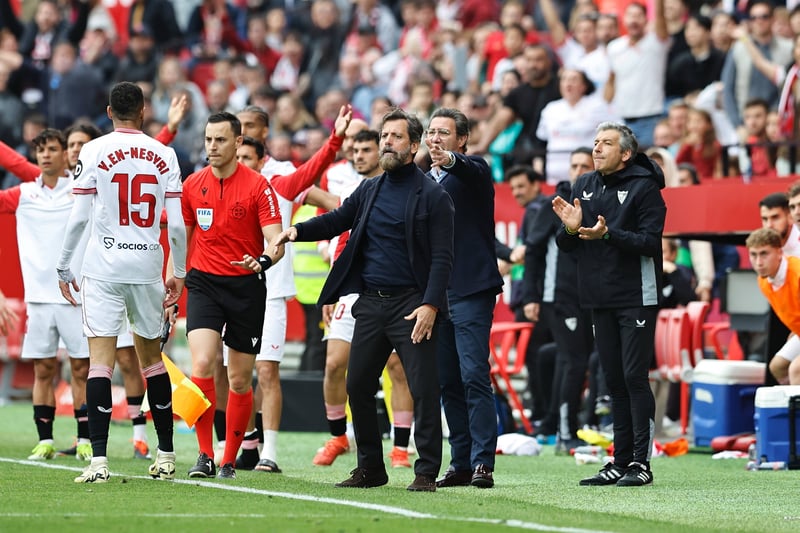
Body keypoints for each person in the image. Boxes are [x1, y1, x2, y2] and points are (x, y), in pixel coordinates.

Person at [271, 108, 454, 492]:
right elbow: (337, 219)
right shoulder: (370, 189)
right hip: (370, 302)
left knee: (423, 388)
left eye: (396, 137)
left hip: (412, 305)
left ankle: (426, 472)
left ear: (414, 146)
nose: (387, 142)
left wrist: (431, 305)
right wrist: (296, 231)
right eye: (385, 136)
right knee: (357, 385)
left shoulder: (434, 196)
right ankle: (370, 468)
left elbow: (443, 258)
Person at [56, 81, 187, 484]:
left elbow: (79, 217)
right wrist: (179, 272)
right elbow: (177, 226)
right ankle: (166, 456)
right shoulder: (165, 154)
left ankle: (98, 462)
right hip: (147, 267)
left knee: (100, 363)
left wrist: (63, 266)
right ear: (144, 111)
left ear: (109, 112)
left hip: (104, 267)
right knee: (151, 362)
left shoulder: (93, 150)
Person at [553, 122, 666, 487]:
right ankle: (619, 461)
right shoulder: (583, 185)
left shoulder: (645, 187)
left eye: (606, 143)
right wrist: (571, 228)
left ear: (626, 153)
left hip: (636, 295)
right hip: (597, 296)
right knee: (613, 380)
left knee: (633, 377)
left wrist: (608, 234)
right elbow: (566, 245)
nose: (597, 148)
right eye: (596, 142)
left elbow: (650, 242)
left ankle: (641, 463)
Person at [182, 111, 285, 480]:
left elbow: (276, 240)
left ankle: (229, 459)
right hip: (204, 283)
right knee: (202, 364)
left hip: (245, 286)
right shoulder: (192, 184)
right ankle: (204, 454)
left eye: (221, 140)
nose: (212, 146)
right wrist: (174, 281)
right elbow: (184, 239)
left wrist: (262, 261)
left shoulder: (259, 186)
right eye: (209, 139)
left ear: (238, 141)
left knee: (240, 380)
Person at [311, 129, 417, 470]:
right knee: (333, 365)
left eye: (366, 149)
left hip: (394, 291)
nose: (359, 155)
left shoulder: (405, 189)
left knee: (396, 367)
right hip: (354, 291)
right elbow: (343, 241)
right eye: (355, 150)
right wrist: (333, 288)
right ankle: (338, 436)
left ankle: (400, 447)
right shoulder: (353, 192)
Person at [0, 129, 90, 461]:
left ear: (66, 154)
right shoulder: (23, 193)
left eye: (53, 149)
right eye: (41, 151)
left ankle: (85, 439)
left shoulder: (81, 191)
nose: (46, 155)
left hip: (75, 297)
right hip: (38, 298)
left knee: (80, 369)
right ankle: (45, 440)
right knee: (43, 369)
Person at [425, 108, 502, 490]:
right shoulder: (422, 181)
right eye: (431, 132)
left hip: (471, 288)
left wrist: (451, 160)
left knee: (473, 374)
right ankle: (460, 462)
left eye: (444, 132)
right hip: (436, 295)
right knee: (448, 381)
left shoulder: (475, 171)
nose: (435, 139)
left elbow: (469, 169)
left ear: (462, 139)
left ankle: (483, 462)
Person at [522, 147, 596, 453]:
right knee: (574, 361)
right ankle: (566, 432)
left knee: (574, 361)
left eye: (584, 165)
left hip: (593, 297)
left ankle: (559, 424)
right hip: (561, 296)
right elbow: (533, 250)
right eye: (574, 165)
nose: (578, 171)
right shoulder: (556, 203)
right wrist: (530, 295)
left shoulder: (600, 199)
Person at [605, 0, 670, 148]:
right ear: (623, 19)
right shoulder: (614, 47)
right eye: (630, 15)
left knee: (648, 160)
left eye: (638, 16)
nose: (634, 20)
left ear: (646, 19)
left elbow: (661, 18)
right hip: (622, 119)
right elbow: (611, 80)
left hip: (651, 116)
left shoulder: (656, 42)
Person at [747, 228, 800, 385]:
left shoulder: (797, 274)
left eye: (764, 254)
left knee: (796, 370)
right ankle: (791, 398)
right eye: (753, 255)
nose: (758, 262)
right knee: (777, 367)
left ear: (779, 252)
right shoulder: (763, 281)